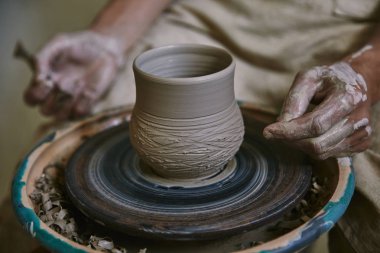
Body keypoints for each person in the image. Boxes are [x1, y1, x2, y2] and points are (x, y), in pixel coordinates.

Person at [22, 0, 380, 252]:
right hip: (208, 16)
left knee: (367, 181)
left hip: (348, 30)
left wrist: (363, 74)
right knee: (62, 171)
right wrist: (109, 38)